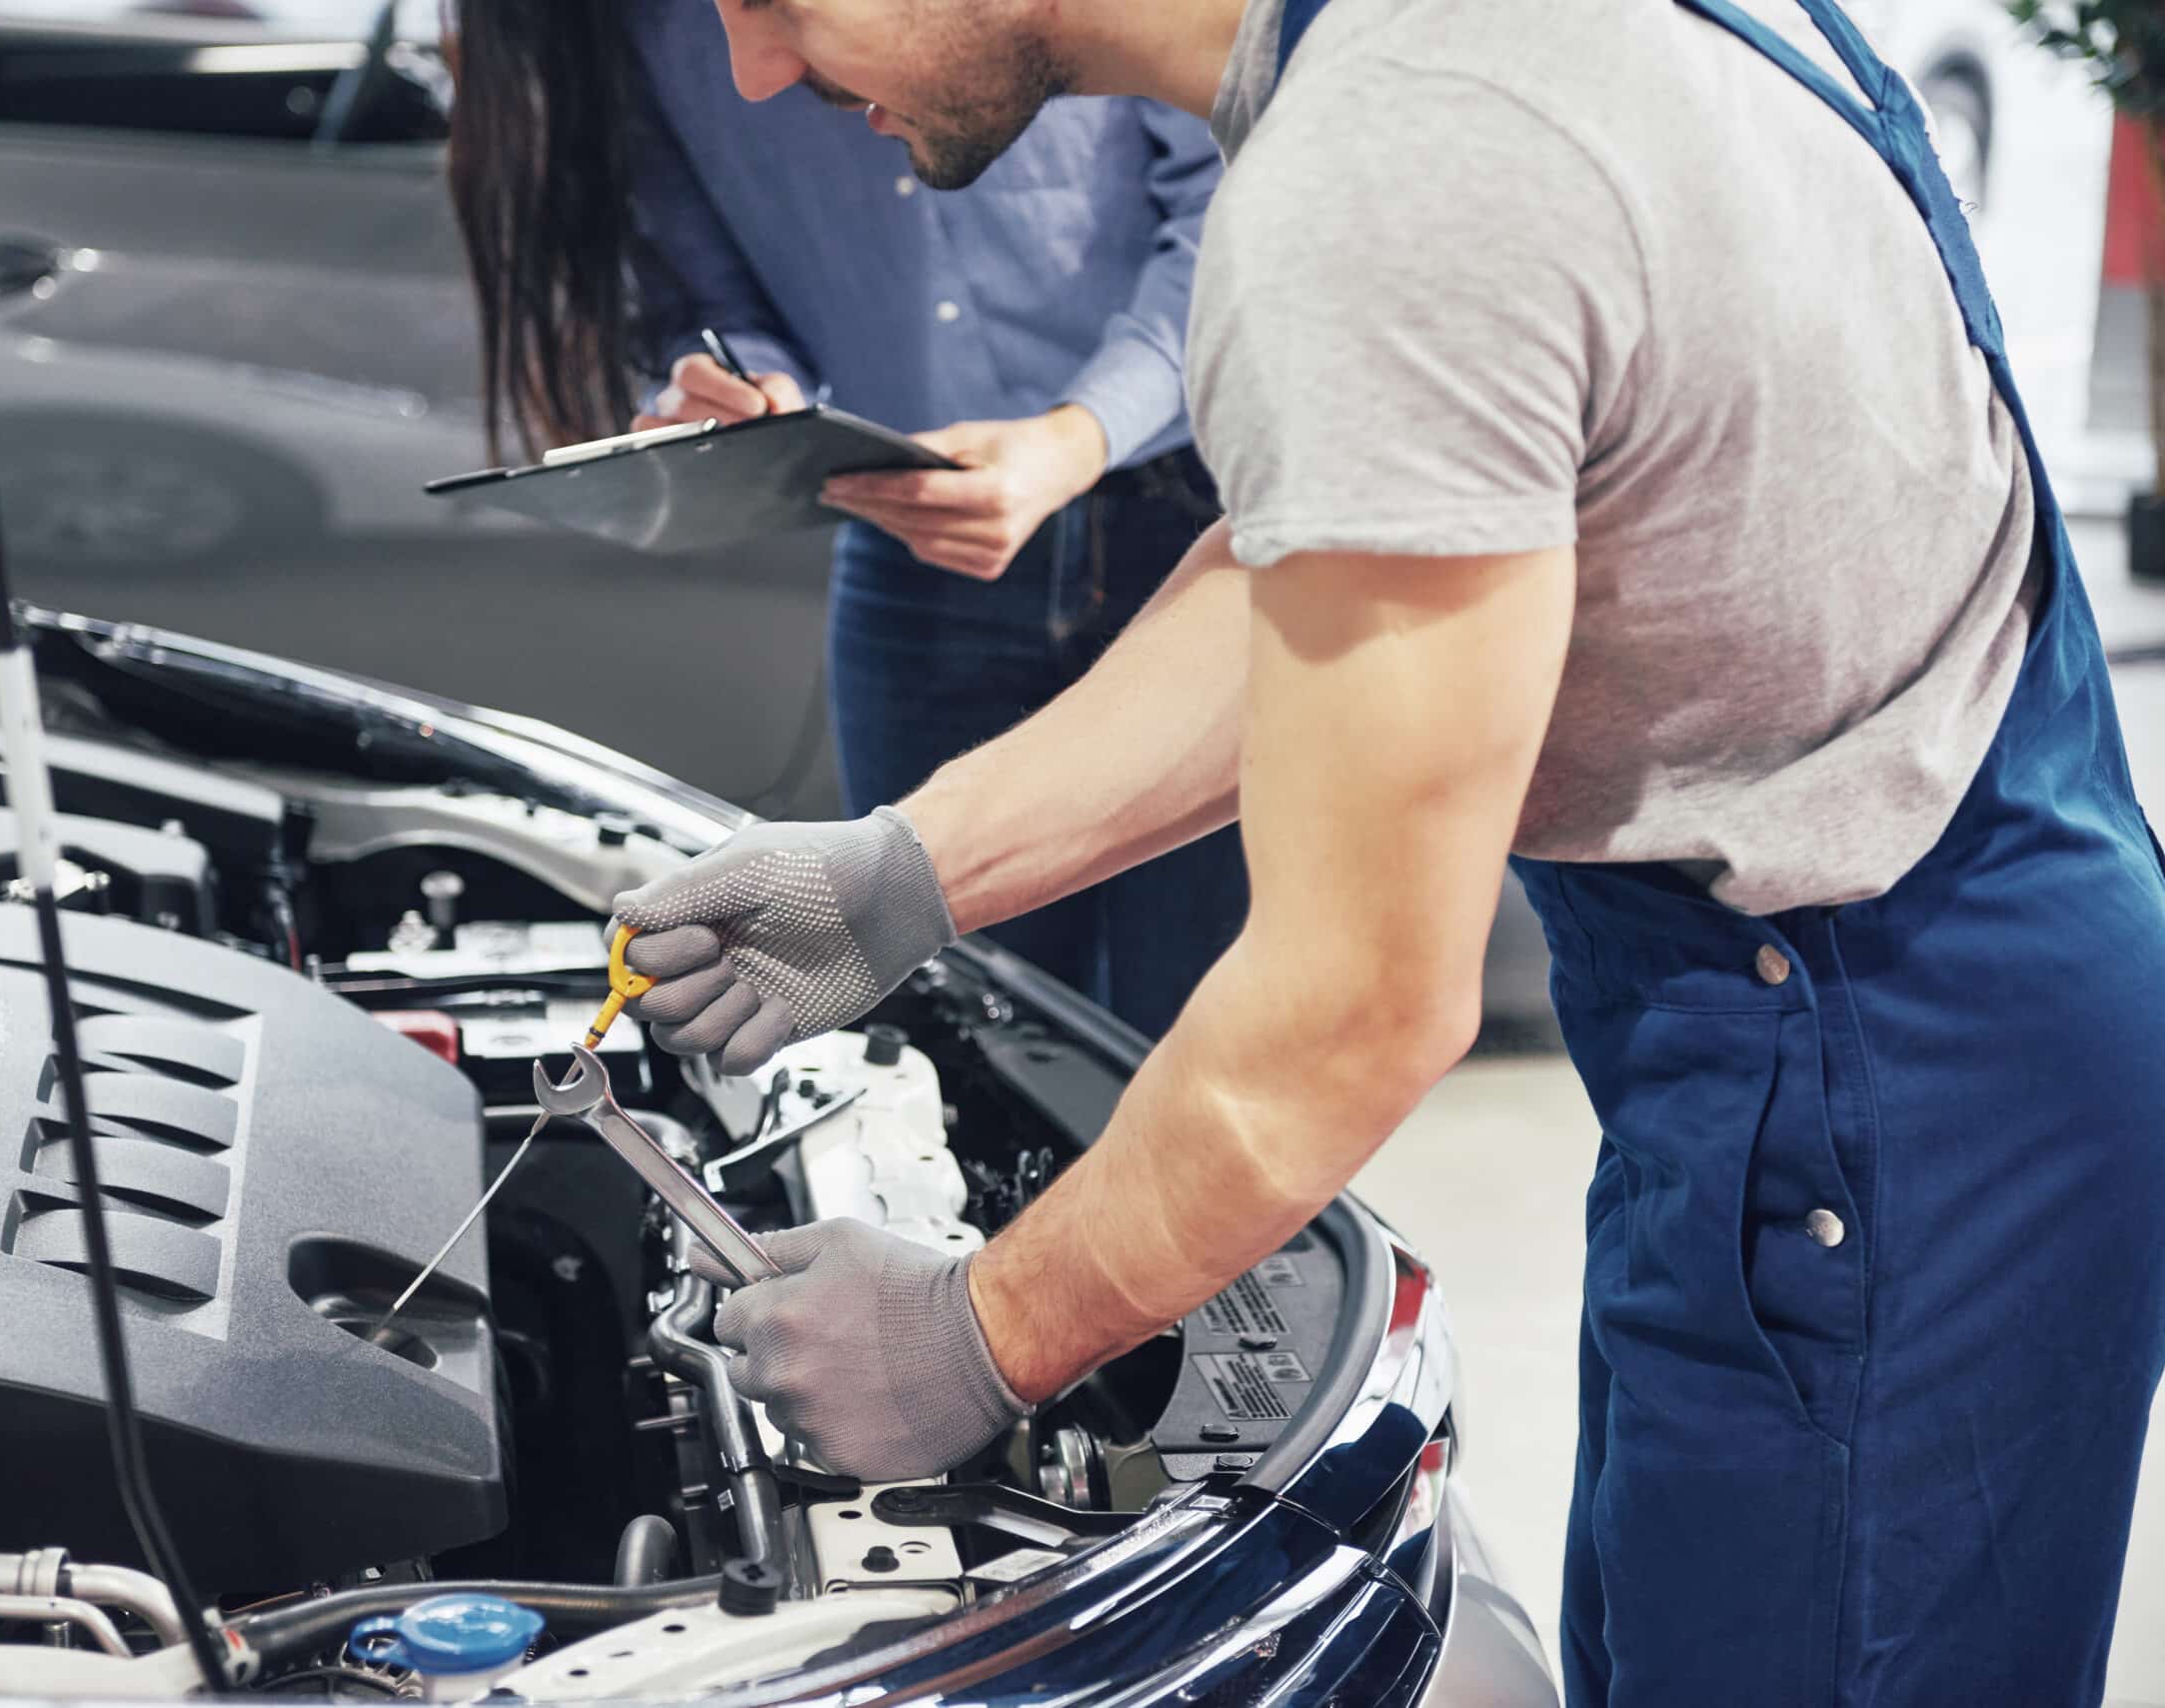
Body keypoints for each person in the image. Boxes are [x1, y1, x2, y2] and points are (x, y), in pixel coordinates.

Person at [602, 0, 2165, 1701]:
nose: (752, 72)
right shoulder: (1421, 54)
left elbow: (1354, 1000)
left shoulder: (1391, 160)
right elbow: (1338, 559)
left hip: (1879, 1067)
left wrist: (978, 1329)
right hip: (1888, 999)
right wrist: (903, 871)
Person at [444, 0, 1244, 1040]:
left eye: (774, 16)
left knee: (1203, 1017)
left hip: (1195, 510)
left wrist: (1078, 434)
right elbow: (698, 287)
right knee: (964, 1037)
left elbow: (1240, 201)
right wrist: (744, 384)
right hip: (915, 554)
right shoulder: (632, 37)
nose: (753, 75)